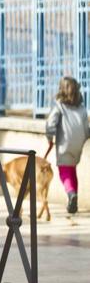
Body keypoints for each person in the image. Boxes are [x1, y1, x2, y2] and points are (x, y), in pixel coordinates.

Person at [46, 76, 90, 215]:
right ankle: (73, 200)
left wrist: (50, 137)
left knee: (64, 170)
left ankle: (71, 194)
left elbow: (51, 123)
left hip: (64, 142)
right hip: (79, 143)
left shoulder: (59, 104)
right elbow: (86, 127)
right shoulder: (82, 107)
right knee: (72, 169)